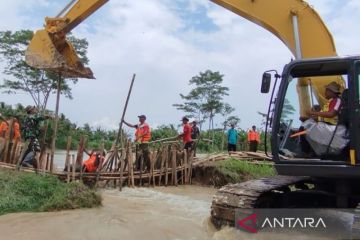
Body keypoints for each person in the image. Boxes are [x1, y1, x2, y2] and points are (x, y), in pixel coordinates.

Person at [301, 81, 348, 156]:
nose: (325, 92)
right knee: (306, 125)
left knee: (304, 128)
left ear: (332, 91)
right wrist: (308, 117)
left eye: (327, 90)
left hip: (333, 128)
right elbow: (323, 117)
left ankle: (305, 152)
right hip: (326, 126)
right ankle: (311, 153)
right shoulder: (330, 102)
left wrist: (314, 113)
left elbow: (331, 114)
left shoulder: (337, 101)